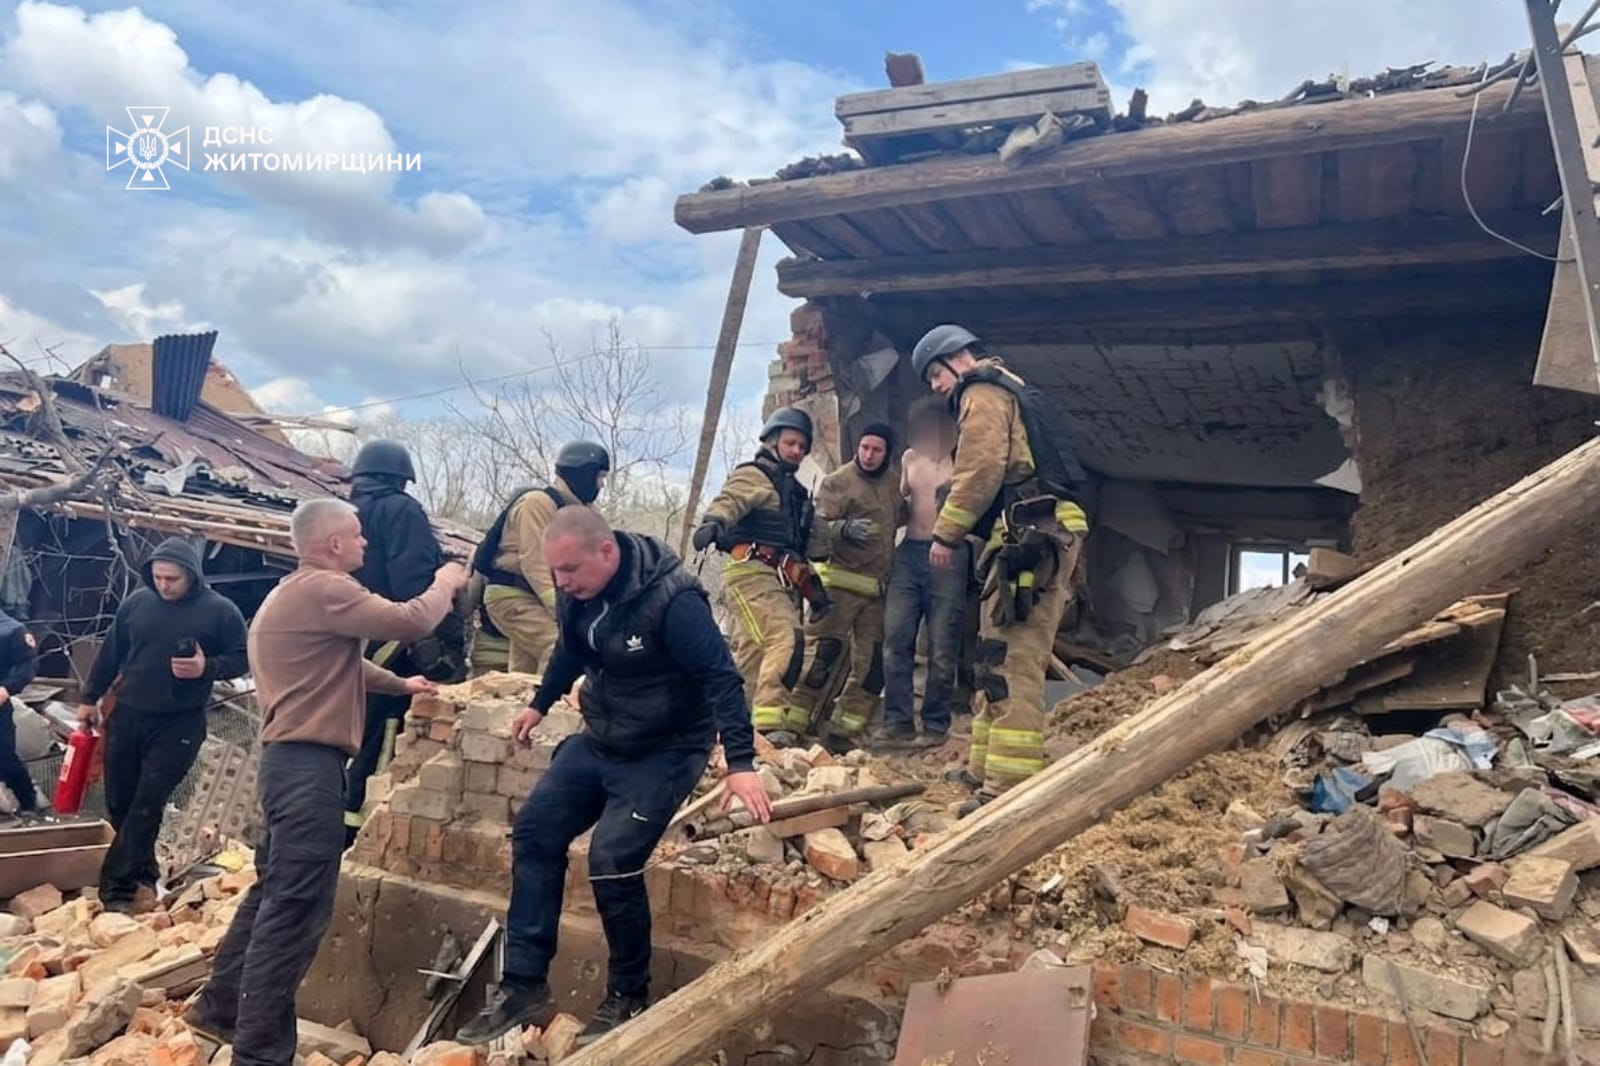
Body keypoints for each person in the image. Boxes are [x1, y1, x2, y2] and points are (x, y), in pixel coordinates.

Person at [456, 506, 770, 1048]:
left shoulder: (674, 600)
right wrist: (538, 703)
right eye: (556, 572)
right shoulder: (579, 596)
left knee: (613, 859)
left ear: (607, 552)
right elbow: (569, 653)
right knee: (535, 831)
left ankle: (628, 995)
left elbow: (723, 678)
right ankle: (523, 984)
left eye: (570, 570)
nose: (561, 582)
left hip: (667, 749)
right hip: (603, 737)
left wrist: (740, 765)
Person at [184, 499, 466, 1065]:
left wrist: (402, 686)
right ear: (333, 544)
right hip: (308, 769)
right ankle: (260, 1053)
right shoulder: (326, 589)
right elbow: (412, 619)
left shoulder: (291, 596)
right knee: (296, 909)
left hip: (287, 766)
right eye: (358, 536)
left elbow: (341, 666)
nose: (366, 544)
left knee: (272, 892)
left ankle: (219, 1009)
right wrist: (445, 580)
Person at [910, 325, 1091, 816]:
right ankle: (983, 768)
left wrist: (945, 532)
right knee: (993, 652)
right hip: (1022, 533)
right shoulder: (1009, 390)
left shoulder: (983, 390)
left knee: (1016, 657)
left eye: (935, 374)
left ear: (957, 360)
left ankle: (1008, 789)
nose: (935, 386)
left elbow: (982, 467)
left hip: (1033, 533)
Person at [79, 538, 250, 912]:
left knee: (148, 802)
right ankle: (144, 873)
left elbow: (242, 659)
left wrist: (208, 668)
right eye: (158, 577)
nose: (164, 585)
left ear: (191, 576)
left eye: (172, 578)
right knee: (121, 803)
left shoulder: (220, 611)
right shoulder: (136, 605)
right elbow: (110, 653)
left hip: (179, 721)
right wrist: (88, 698)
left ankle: (115, 890)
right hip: (128, 713)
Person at [343, 438, 468, 845]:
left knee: (361, 732)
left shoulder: (348, 515)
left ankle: (343, 819)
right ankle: (368, 828)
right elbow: (411, 577)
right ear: (400, 479)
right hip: (399, 640)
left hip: (361, 638)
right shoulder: (401, 510)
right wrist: (433, 636)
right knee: (391, 731)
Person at [691, 407, 831, 745]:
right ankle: (769, 724)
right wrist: (714, 522)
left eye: (802, 446)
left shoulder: (795, 494)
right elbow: (731, 499)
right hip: (751, 574)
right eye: (791, 443)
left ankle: (733, 725)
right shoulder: (756, 475)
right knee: (787, 638)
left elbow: (794, 550)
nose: (797, 451)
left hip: (781, 580)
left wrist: (816, 593)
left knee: (753, 655)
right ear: (772, 440)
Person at [786, 423, 903, 751]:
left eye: (876, 450)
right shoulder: (838, 482)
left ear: (886, 453)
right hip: (837, 588)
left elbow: (904, 518)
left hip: (876, 597)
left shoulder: (894, 484)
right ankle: (790, 729)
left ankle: (841, 734)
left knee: (872, 669)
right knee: (821, 658)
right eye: (864, 447)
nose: (868, 455)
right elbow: (814, 526)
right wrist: (841, 529)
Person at [472, 441, 612, 674]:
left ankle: (516, 707)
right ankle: (551, 709)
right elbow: (535, 565)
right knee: (559, 647)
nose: (601, 484)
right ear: (582, 473)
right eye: (599, 476)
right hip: (512, 596)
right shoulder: (536, 504)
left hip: (535, 602)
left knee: (522, 673)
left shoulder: (582, 513)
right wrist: (565, 613)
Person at [881, 397, 969, 746]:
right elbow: (896, 502)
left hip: (948, 554)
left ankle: (935, 724)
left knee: (942, 645)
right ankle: (897, 722)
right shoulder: (909, 458)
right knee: (896, 639)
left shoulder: (961, 460)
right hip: (910, 553)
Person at [0, 607, 42, 814]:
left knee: (4, 757)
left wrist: (7, 688)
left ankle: (29, 802)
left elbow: (27, 666)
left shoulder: (11, 631)